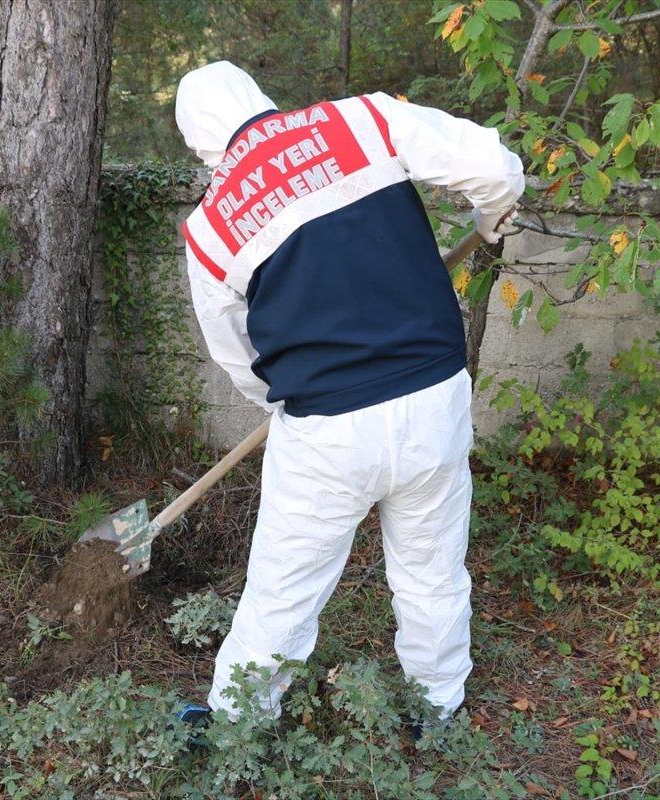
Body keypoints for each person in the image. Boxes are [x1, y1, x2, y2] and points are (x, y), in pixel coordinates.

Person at [174, 61, 524, 723]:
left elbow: (236, 353)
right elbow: (497, 169)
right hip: (433, 398)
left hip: (327, 429)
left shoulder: (210, 226)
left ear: (201, 146)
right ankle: (438, 708)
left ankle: (238, 728)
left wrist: (278, 399)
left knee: (283, 590)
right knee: (432, 569)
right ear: (261, 97)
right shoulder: (358, 119)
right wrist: (491, 217)